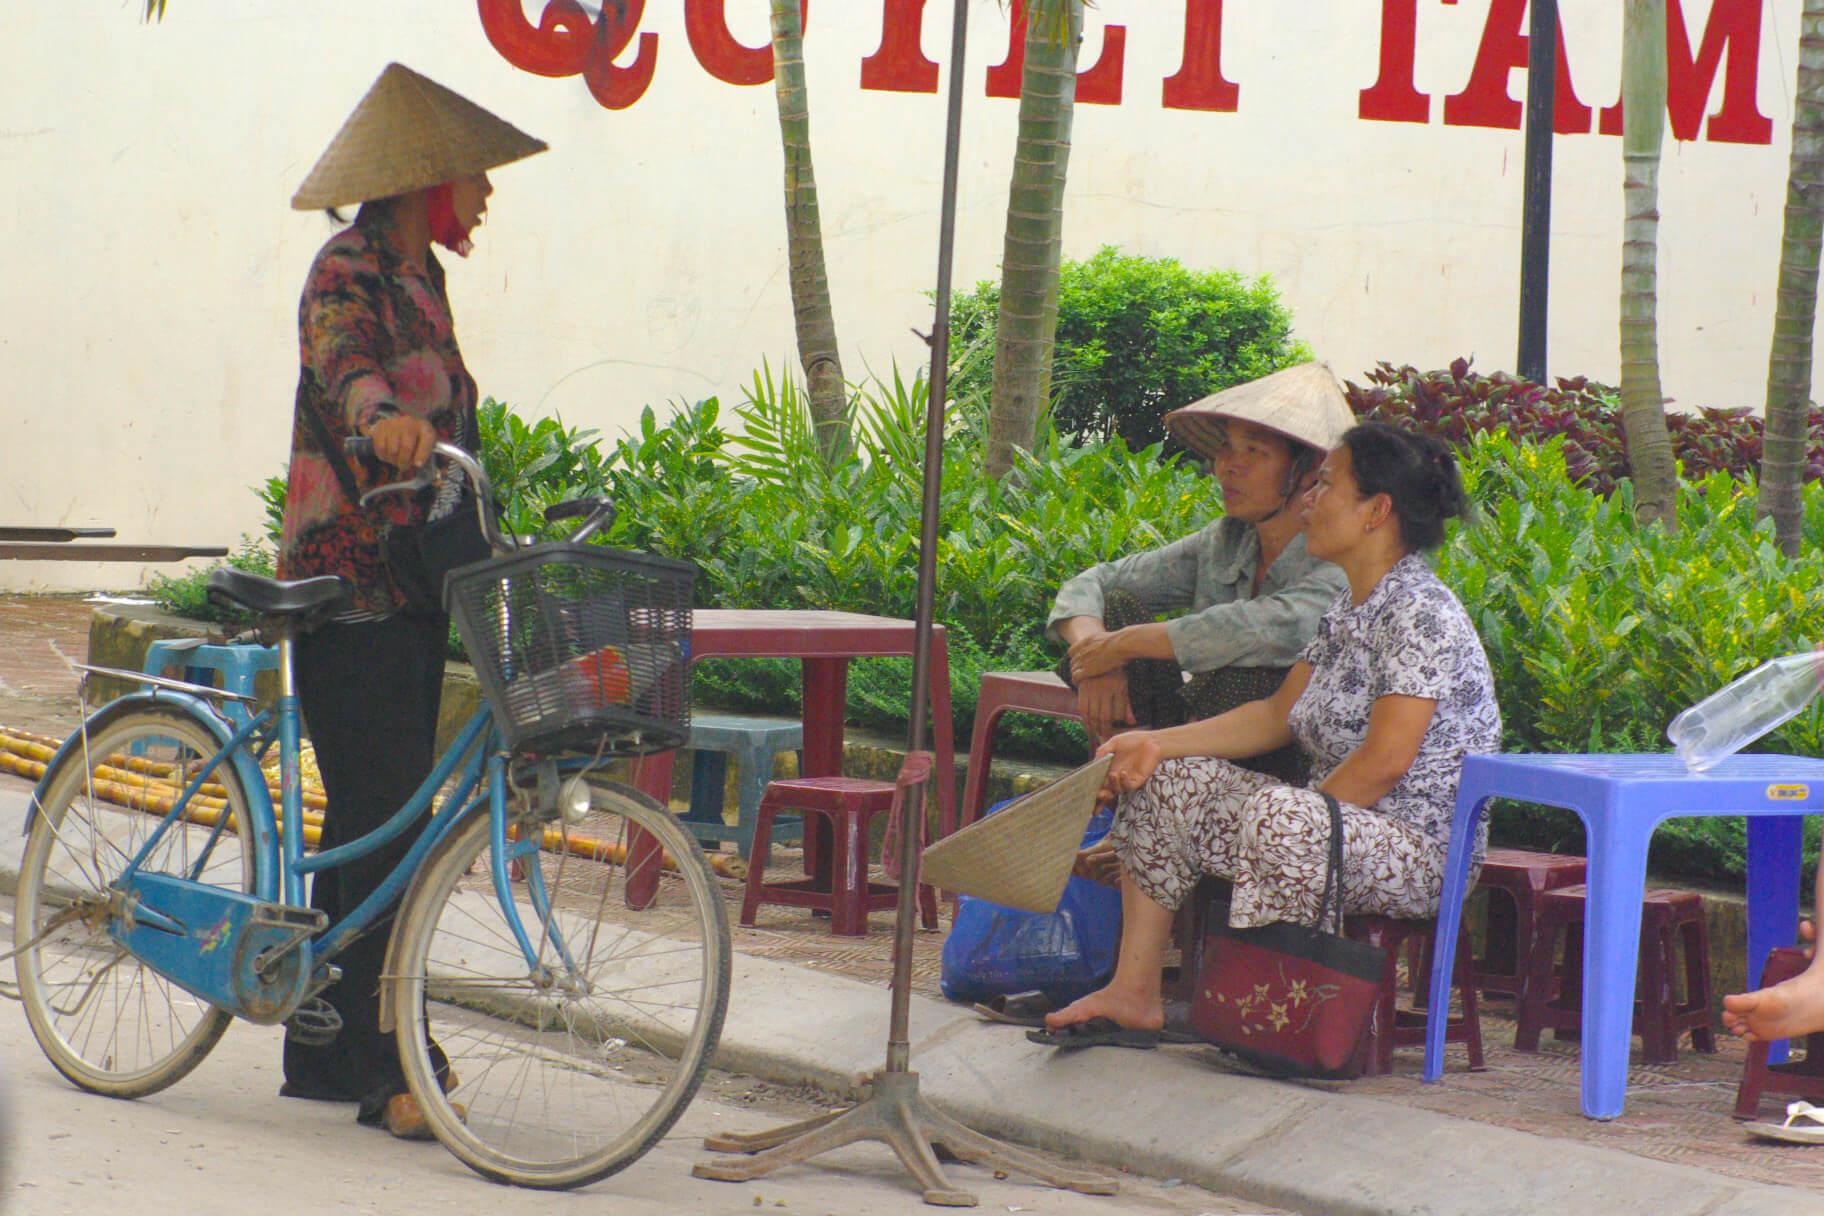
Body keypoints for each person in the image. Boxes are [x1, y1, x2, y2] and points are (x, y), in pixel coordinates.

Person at [275, 63, 546, 1136]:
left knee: (391, 815)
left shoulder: (426, 277)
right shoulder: (347, 270)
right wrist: (382, 419)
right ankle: (377, 1059)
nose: (485, 193)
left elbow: (451, 420)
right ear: (422, 180)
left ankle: (344, 1035)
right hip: (348, 580)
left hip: (417, 572)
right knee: (381, 814)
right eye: (473, 176)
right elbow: (345, 372)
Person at [1037, 422, 1502, 1043]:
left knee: (1283, 816)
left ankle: (1271, 1019)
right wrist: (1153, 744)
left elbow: (1386, 759)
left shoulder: (1420, 611)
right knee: (1168, 781)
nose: (1311, 500)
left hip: (1416, 851)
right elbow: (1277, 714)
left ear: (1376, 511)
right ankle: (1134, 995)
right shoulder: (1348, 607)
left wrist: (1291, 812)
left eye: (1328, 485)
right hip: (1328, 827)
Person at [1047, 362, 1353, 762]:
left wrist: (1120, 645)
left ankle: (1155, 775)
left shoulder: (1339, 558)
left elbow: (1254, 629)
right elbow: (1095, 582)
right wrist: (1096, 658)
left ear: (1309, 470)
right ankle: (1130, 771)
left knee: (1246, 670)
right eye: (1226, 446)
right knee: (1119, 602)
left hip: (1281, 751)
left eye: (1255, 451)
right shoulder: (1226, 539)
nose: (1228, 465)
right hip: (1189, 735)